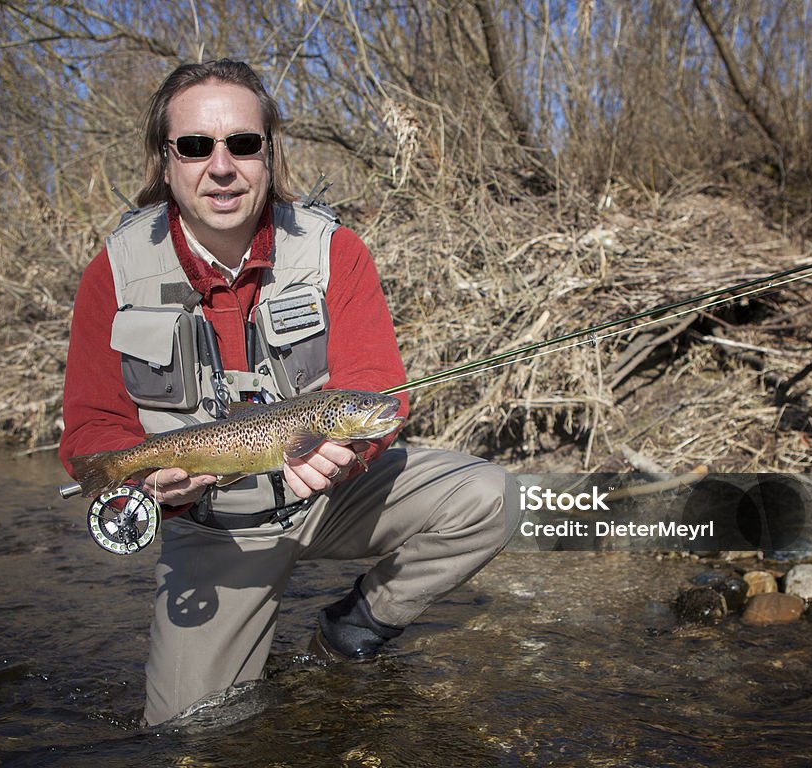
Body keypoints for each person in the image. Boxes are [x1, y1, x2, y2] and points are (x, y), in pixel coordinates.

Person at [59, 58, 520, 726]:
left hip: (329, 493)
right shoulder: (115, 274)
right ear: (165, 161)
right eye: (195, 146)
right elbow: (92, 432)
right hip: (211, 527)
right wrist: (146, 483)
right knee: (190, 735)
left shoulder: (335, 250)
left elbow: (376, 392)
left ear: (270, 154)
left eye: (242, 143)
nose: (221, 165)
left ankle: (351, 630)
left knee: (492, 496)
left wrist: (352, 454)